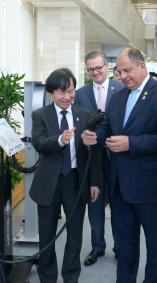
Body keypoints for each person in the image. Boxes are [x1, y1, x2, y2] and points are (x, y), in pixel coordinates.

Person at [83, 48, 157, 283]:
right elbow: (110, 128)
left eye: (127, 70)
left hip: (150, 186)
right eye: (119, 71)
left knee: (155, 244)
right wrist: (94, 138)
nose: (123, 75)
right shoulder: (118, 96)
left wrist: (131, 144)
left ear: (142, 66)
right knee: (125, 246)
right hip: (120, 186)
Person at [29, 68, 101, 283]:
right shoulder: (40, 115)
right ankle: (48, 278)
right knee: (47, 236)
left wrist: (94, 182)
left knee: (75, 236)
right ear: (51, 92)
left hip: (76, 183)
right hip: (49, 184)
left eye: (70, 91)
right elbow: (38, 143)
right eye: (61, 92)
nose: (67, 97)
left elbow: (93, 154)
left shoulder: (86, 114)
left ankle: (71, 277)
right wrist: (60, 140)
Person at [73, 51, 124, 265]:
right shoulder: (80, 93)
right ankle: (97, 247)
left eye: (98, 67)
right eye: (90, 69)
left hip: (118, 155)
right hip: (91, 157)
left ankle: (120, 247)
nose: (95, 72)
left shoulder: (121, 89)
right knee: (94, 203)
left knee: (119, 204)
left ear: (107, 67)